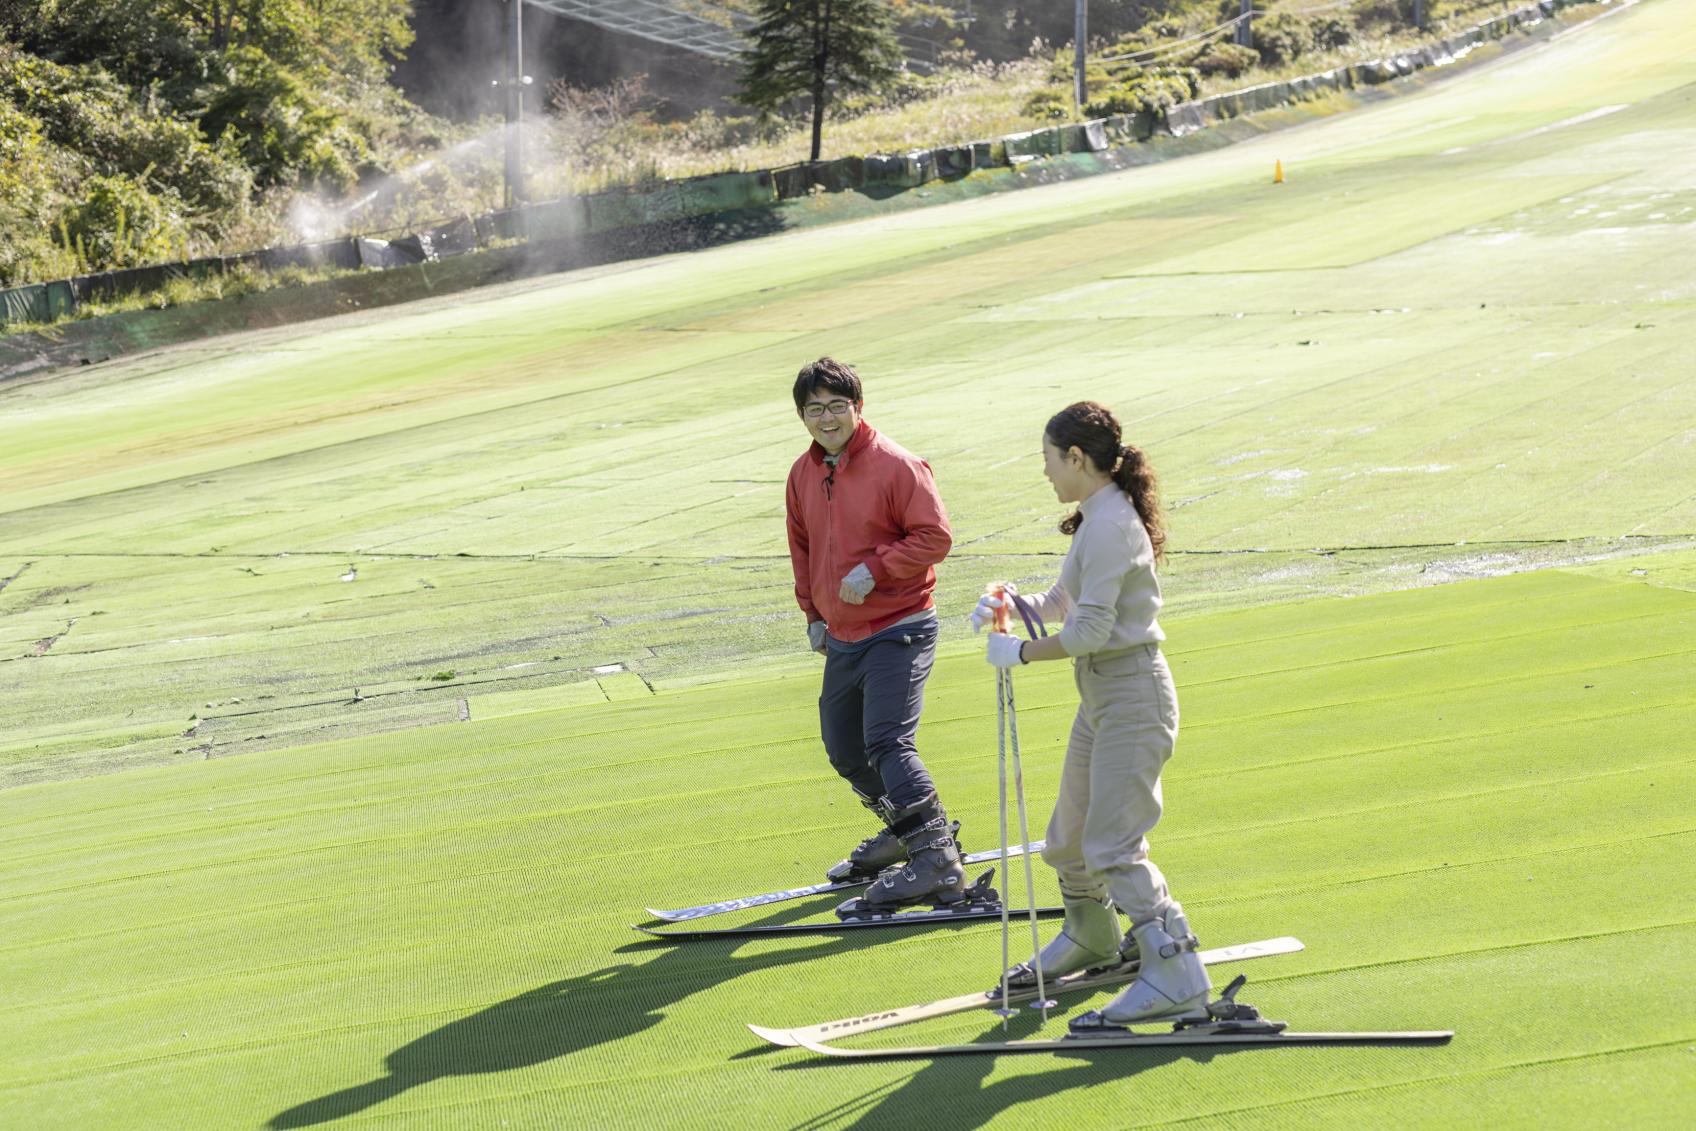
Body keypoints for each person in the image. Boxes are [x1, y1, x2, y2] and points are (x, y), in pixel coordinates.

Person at [973, 401, 1210, 1025]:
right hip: (1103, 696)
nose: (1047, 474)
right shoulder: (1095, 518)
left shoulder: (1109, 524)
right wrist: (1011, 607)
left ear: (1076, 458)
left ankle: (1178, 972)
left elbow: (1092, 632)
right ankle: (1093, 939)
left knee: (1113, 846)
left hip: (1133, 695)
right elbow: (1066, 603)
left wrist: (1020, 652)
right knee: (1069, 839)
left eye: (1050, 461)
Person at [784, 357, 963, 909]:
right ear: (802, 416)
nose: (828, 418)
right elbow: (803, 547)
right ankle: (903, 831)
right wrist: (813, 614)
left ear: (859, 408)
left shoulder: (898, 465)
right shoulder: (803, 473)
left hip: (900, 626)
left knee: (886, 741)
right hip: (842, 634)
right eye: (815, 409)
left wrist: (877, 568)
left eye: (839, 406)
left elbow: (934, 537)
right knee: (844, 747)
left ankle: (936, 859)